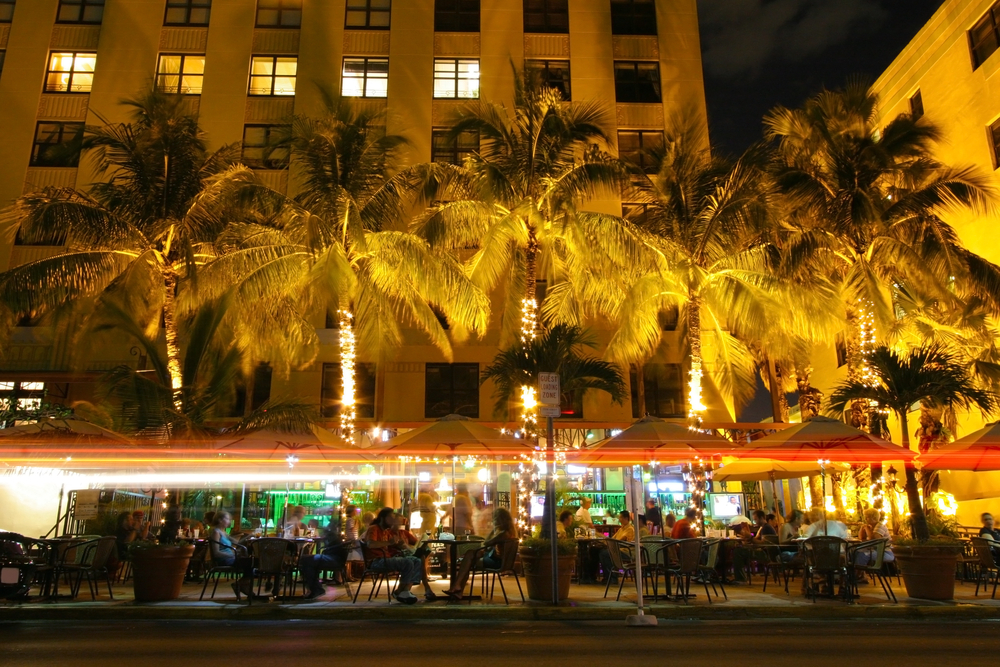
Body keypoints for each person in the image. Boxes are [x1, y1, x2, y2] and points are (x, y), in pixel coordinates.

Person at [444, 508, 518, 599]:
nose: (493, 520)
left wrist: (493, 531)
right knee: (470, 556)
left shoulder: (502, 534)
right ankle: (457, 588)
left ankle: (457, 587)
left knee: (469, 558)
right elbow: (489, 547)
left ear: (500, 520)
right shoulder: (509, 533)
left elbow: (487, 542)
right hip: (499, 560)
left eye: (495, 518)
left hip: (496, 562)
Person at [365, 507, 424, 604]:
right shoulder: (374, 528)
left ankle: (403, 591)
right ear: (383, 518)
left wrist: (399, 544)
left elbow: (391, 544)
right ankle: (403, 592)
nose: (393, 521)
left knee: (416, 560)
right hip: (376, 561)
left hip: (387, 559)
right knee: (407, 562)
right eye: (390, 518)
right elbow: (370, 544)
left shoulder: (387, 531)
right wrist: (389, 542)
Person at [209, 511, 256, 599]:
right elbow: (216, 553)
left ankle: (240, 585)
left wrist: (250, 535)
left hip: (231, 558)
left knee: (253, 563)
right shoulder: (216, 532)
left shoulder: (224, 532)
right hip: (224, 560)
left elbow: (238, 543)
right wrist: (232, 555)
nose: (229, 521)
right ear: (220, 520)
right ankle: (241, 585)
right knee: (251, 563)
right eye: (227, 519)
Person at [300, 515, 348, 600]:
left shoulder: (335, 534)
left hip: (335, 559)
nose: (327, 526)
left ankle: (315, 589)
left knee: (306, 560)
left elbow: (330, 542)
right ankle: (314, 588)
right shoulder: (335, 533)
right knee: (306, 560)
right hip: (333, 557)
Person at [397, 512, 439, 601]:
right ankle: (425, 587)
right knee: (419, 558)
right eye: (399, 522)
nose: (401, 524)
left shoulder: (403, 532)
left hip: (409, 554)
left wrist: (416, 545)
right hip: (400, 555)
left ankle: (403, 590)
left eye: (402, 522)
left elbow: (416, 542)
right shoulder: (390, 533)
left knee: (423, 552)